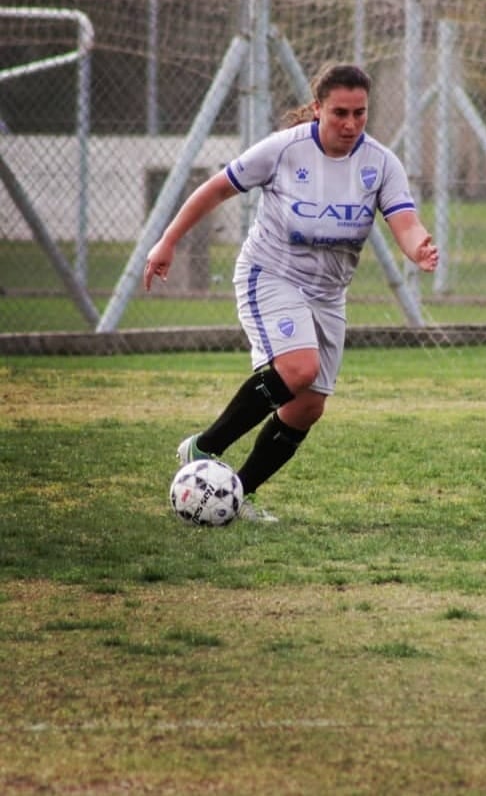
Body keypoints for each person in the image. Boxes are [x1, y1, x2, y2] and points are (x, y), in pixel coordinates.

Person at [143, 62, 438, 522]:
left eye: (360, 113)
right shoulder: (285, 151)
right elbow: (215, 189)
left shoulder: (380, 162)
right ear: (318, 108)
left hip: (327, 293)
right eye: (340, 112)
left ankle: (236, 496)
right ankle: (204, 446)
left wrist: (418, 246)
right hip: (271, 274)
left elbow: (404, 219)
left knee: (307, 407)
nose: (351, 124)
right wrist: (167, 241)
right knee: (299, 367)